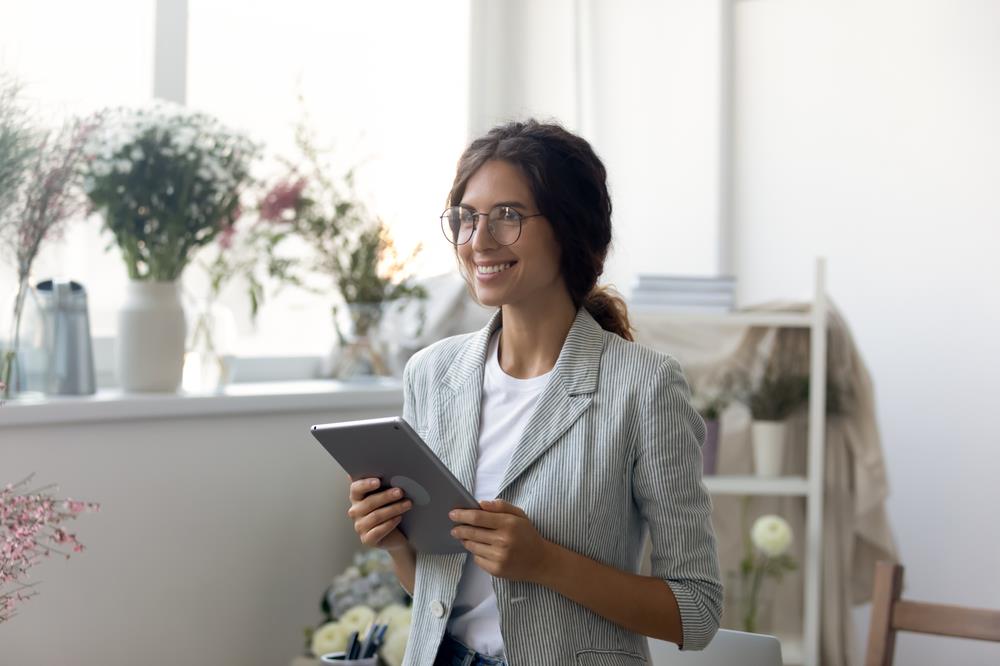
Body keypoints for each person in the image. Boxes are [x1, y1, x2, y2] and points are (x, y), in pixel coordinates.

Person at [346, 120, 722, 666]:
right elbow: (437, 598)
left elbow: (698, 610)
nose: (479, 241)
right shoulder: (432, 374)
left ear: (571, 229)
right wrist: (396, 541)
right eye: (467, 218)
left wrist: (544, 563)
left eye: (508, 216)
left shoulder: (645, 388)